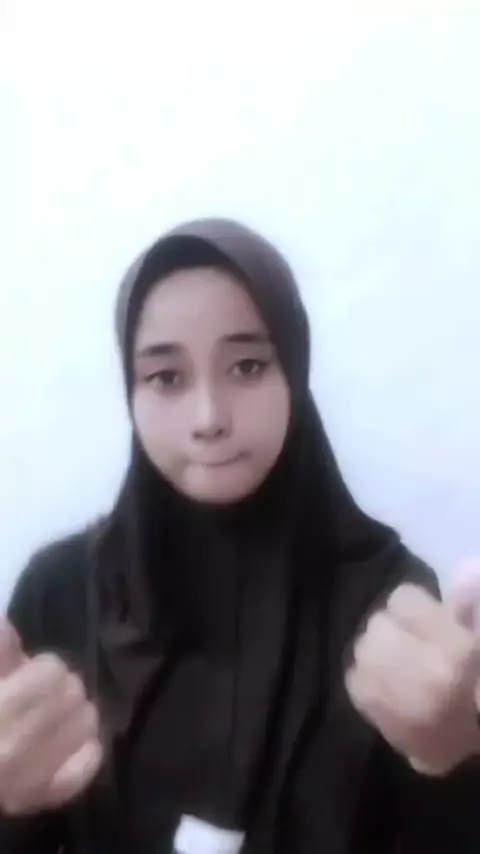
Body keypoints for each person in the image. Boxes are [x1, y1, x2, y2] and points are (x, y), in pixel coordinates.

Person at [0, 218, 479, 854]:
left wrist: (455, 763)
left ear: (294, 371)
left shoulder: (391, 602)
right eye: (166, 378)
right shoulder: (62, 594)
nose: (209, 419)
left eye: (247, 366)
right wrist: (7, 804)